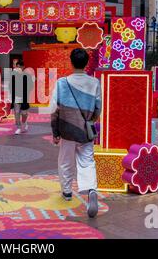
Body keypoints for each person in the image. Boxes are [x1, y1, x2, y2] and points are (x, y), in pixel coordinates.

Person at [50, 49, 101, 218]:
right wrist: (90, 121)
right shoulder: (94, 83)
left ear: (71, 62)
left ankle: (66, 192)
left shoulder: (61, 83)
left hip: (67, 129)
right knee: (87, 161)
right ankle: (91, 190)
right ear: (86, 63)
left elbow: (54, 110)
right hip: (86, 131)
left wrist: (55, 131)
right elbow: (97, 108)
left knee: (65, 161)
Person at [10, 60, 32, 135]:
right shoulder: (13, 76)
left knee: (24, 113)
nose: (18, 68)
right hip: (16, 97)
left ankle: (24, 123)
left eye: (20, 67)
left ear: (23, 67)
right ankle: (19, 127)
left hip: (24, 97)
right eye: (17, 66)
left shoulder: (27, 76)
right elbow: (10, 87)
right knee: (16, 112)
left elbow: (30, 87)